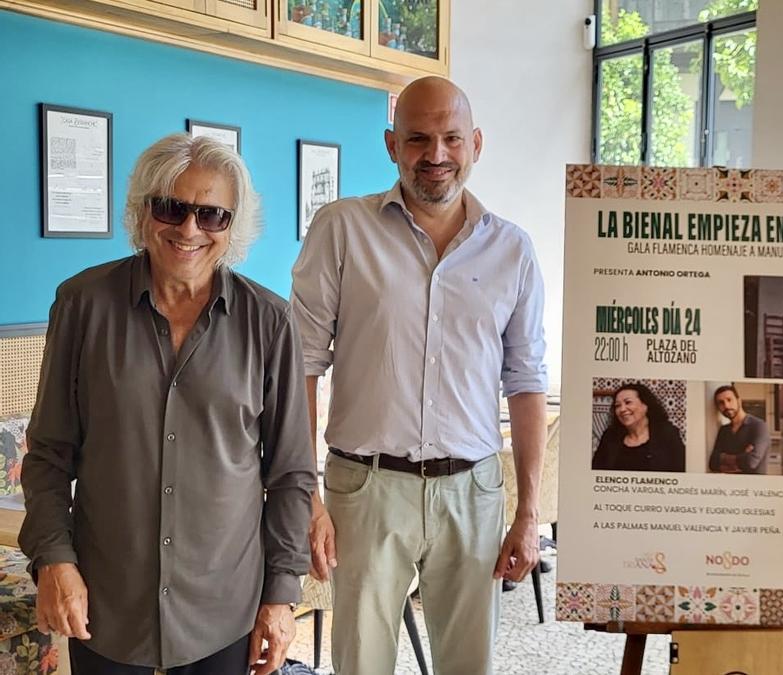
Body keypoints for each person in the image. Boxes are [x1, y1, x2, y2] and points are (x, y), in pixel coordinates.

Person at [20, 134, 315, 674]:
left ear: (233, 226)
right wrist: (54, 561)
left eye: (212, 215)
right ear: (143, 211)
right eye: (171, 208)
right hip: (107, 604)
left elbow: (291, 472)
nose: (188, 229)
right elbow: (48, 455)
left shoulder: (270, 323)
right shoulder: (82, 305)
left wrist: (280, 595)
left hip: (224, 609)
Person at [291, 77, 548, 674]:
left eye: (451, 138)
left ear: (476, 143)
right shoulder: (341, 229)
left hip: (473, 491)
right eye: (418, 139)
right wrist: (307, 495)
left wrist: (529, 513)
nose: (435, 155)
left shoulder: (513, 249)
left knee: (469, 665)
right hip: (365, 489)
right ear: (391, 145)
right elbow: (299, 364)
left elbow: (526, 379)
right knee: (362, 664)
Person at [592, 383, 686, 472]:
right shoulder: (610, 437)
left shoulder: (667, 433)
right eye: (617, 406)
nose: (622, 409)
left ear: (645, 406)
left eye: (628, 402)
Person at [707, 385, 770, 474]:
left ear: (739, 401)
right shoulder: (724, 430)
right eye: (721, 403)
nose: (726, 405)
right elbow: (713, 463)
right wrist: (743, 455)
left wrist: (723, 458)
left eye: (729, 400)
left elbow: (750, 462)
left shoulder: (759, 426)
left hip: (755, 486)